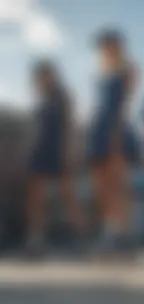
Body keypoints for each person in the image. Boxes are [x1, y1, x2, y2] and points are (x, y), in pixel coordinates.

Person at [26, 61, 85, 254]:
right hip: (40, 150)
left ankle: (79, 237)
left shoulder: (62, 97)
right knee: (35, 196)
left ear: (52, 76)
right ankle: (36, 238)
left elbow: (70, 125)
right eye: (40, 77)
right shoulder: (41, 99)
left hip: (58, 150)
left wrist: (69, 151)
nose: (43, 80)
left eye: (46, 76)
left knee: (67, 195)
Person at [87, 30, 137, 252]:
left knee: (118, 182)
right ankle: (109, 230)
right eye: (103, 45)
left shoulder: (127, 70)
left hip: (115, 127)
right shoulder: (99, 72)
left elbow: (124, 103)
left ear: (118, 46)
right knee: (101, 184)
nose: (106, 48)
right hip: (97, 127)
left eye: (110, 44)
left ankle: (122, 232)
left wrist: (116, 134)